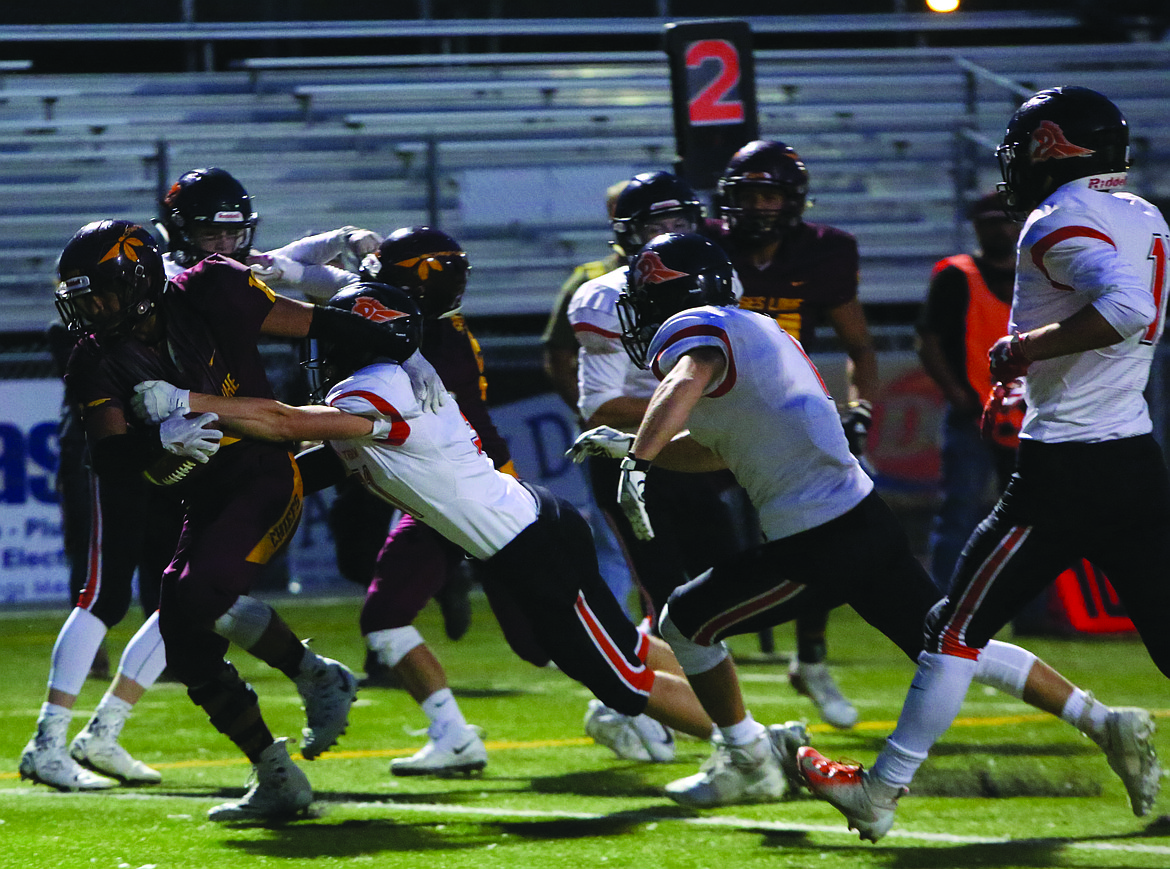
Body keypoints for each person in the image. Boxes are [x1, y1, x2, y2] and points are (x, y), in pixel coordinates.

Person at [570, 231, 1159, 814]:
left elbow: (684, 376)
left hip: (818, 540)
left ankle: (749, 760)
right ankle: (1106, 722)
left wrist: (640, 460)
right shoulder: (750, 333)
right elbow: (715, 449)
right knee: (951, 649)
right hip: (861, 521)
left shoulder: (700, 333)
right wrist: (631, 447)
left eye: (647, 297)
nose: (641, 313)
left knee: (685, 622)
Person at [130, 281, 764, 784]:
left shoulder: (377, 387)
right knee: (620, 650)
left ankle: (751, 751)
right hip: (524, 535)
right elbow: (302, 461)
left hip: (531, 544)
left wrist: (190, 402)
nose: (322, 345)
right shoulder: (378, 387)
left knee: (620, 683)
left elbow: (287, 422)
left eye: (341, 332)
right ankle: (752, 732)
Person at [799, 86, 1168, 841]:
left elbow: (1126, 308)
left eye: (1025, 146)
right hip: (1133, 454)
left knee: (949, 629)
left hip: (1064, 471)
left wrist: (1027, 348)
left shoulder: (1059, 218)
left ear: (1054, 147)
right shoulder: (1144, 214)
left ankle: (881, 788)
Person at [42, 219, 440, 821]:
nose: (91, 308)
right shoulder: (95, 359)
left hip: (264, 474)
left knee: (194, 594)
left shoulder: (209, 290)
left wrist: (406, 354)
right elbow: (111, 460)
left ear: (140, 280)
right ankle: (276, 769)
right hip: (201, 496)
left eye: (101, 291)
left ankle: (310, 677)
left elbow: (317, 322)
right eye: (82, 298)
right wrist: (161, 447)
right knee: (185, 638)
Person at [566, 171, 746, 756]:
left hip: (699, 453)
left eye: (679, 220)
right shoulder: (603, 296)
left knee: (717, 585)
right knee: (664, 595)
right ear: (627, 234)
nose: (670, 234)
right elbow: (599, 405)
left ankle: (631, 694)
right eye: (654, 224)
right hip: (632, 458)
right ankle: (631, 700)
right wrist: (687, 406)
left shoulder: (718, 274)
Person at [340, 226, 527, 771]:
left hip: (473, 496)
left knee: (545, 638)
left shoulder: (425, 347)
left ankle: (704, 724)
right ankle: (453, 733)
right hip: (442, 495)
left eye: (391, 283)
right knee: (385, 614)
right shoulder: (432, 329)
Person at [715, 138, 871, 729]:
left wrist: (861, 405)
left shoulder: (825, 253)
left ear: (792, 201)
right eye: (747, 194)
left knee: (819, 535)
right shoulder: (708, 244)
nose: (756, 207)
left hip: (788, 413)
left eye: (768, 194)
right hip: (712, 411)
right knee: (708, 544)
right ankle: (688, 660)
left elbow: (858, 344)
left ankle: (810, 657)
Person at [917, 192, 1022, 587]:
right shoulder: (957, 276)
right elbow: (928, 340)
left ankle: (1030, 609)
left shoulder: (1035, 274)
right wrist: (957, 395)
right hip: (973, 413)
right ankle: (942, 600)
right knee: (959, 511)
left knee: (1029, 517)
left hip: (1029, 414)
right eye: (989, 220)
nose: (999, 228)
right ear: (976, 226)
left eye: (1006, 220)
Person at [156, 166, 382, 300]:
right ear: (183, 232)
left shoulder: (237, 269)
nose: (224, 244)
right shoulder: (162, 275)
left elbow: (298, 261)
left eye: (233, 233)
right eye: (211, 234)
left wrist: (344, 238)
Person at [542, 179, 628, 413]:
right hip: (618, 417)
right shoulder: (589, 281)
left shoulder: (694, 274)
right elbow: (559, 356)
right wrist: (588, 413)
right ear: (613, 214)